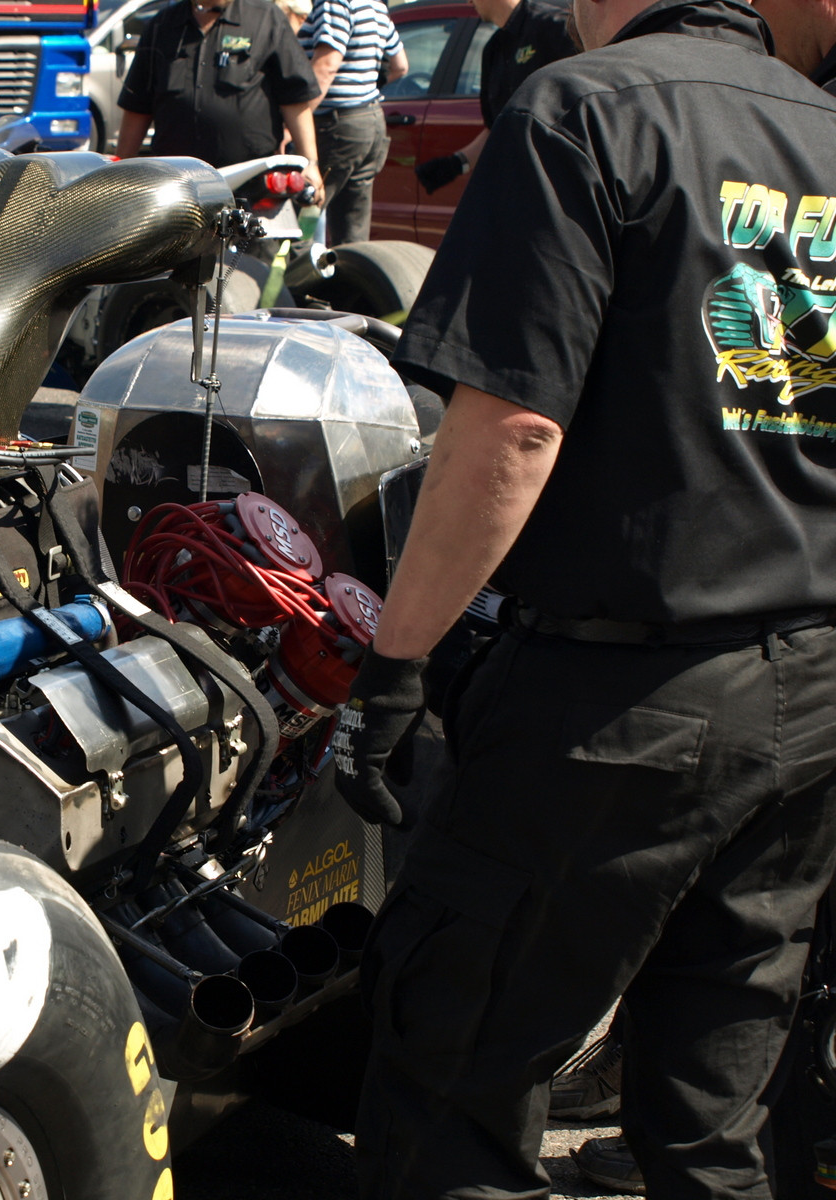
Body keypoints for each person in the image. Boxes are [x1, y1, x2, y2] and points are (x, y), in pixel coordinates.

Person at [330, 1, 836, 1198]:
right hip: (809, 688)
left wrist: (398, 664)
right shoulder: (822, 129)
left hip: (618, 703)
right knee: (711, 1122)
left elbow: (510, 429)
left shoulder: (584, 106)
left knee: (455, 1078)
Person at [115, 0, 325, 199]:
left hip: (251, 186)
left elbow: (295, 98)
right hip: (177, 186)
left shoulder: (266, 18)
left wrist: (311, 163)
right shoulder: (162, 26)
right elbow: (137, 107)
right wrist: (119, 175)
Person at [413, 0, 575, 194]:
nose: (469, 1)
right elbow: (496, 128)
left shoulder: (556, 27)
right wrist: (457, 163)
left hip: (558, 184)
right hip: (517, 185)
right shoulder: (494, 49)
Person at [302, 0, 407, 245]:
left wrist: (295, 123)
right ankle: (346, 281)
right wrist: (363, 86)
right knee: (352, 233)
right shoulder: (375, 5)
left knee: (300, 222)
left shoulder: (335, 3)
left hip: (337, 127)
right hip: (369, 121)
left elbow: (326, 66)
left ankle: (291, 282)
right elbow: (400, 66)